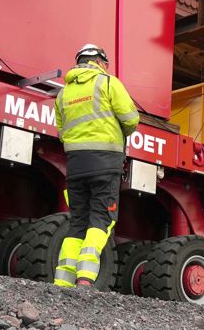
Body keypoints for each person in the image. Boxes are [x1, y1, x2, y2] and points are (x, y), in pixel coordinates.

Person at [52, 44, 139, 288]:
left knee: (78, 223)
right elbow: (131, 120)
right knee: (102, 219)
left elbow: (62, 132)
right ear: (99, 62)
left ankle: (62, 280)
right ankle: (85, 278)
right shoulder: (108, 83)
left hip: (75, 166)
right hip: (105, 164)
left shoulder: (63, 94)